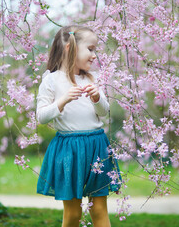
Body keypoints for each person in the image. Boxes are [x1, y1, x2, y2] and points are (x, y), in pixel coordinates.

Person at [36, 25, 120, 227]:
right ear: (69, 47)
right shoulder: (51, 81)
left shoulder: (94, 78)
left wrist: (98, 97)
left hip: (97, 146)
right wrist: (62, 101)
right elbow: (41, 116)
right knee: (73, 213)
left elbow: (103, 112)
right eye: (90, 49)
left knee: (99, 210)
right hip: (69, 149)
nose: (94, 55)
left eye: (95, 50)